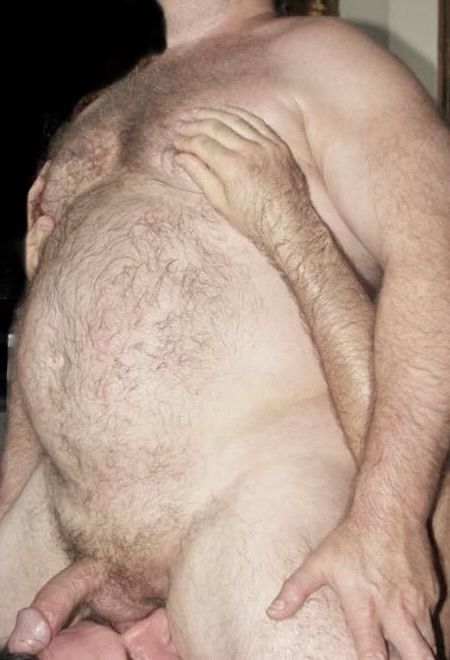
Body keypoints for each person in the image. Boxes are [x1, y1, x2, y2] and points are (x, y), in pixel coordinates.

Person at [0, 1, 449, 658]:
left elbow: (436, 254)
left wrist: (390, 518)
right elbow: (49, 336)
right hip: (61, 522)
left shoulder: (325, 59)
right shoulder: (102, 111)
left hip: (257, 513)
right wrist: (8, 510)